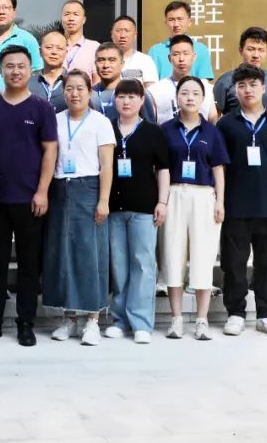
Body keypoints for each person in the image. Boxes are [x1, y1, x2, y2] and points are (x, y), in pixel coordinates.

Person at [0, 45, 57, 347]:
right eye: (9, 66)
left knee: (29, 264)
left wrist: (42, 191)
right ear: (1, 70)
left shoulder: (41, 108)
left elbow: (50, 151)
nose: (15, 71)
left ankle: (26, 323)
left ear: (30, 69)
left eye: (21, 66)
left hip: (30, 199)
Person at [217, 65, 267, 338]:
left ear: (264, 88)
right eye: (241, 86)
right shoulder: (226, 124)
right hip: (236, 206)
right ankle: (235, 314)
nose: (247, 90)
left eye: (253, 84)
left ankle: (266, 315)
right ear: (234, 90)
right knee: (234, 264)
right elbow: (220, 165)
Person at [45, 70, 115, 346]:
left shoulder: (100, 122)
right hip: (61, 189)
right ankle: (69, 317)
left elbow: (106, 165)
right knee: (64, 253)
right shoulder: (55, 120)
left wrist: (103, 200)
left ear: (89, 91)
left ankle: (93, 319)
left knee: (91, 254)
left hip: (89, 188)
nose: (74, 94)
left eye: (80, 88)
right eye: (69, 89)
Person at [160, 76, 230, 341]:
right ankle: (176, 319)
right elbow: (160, 169)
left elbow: (218, 169)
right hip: (175, 193)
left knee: (203, 255)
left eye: (195, 93)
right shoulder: (166, 130)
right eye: (184, 92)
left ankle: (202, 319)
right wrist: (162, 201)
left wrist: (220, 201)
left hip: (203, 196)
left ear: (203, 99)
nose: (189, 97)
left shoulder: (212, 132)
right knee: (173, 254)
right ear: (177, 97)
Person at [104, 79, 170, 344]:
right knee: (119, 266)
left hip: (144, 208)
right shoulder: (107, 128)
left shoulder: (153, 131)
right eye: (121, 96)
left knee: (143, 264)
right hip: (113, 208)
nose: (126, 101)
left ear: (142, 100)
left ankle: (141, 322)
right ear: (115, 100)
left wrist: (162, 202)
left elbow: (163, 168)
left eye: (132, 96)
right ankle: (119, 320)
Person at [213, 27, 267, 117]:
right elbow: (215, 116)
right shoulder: (224, 81)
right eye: (251, 49)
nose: (256, 55)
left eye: (261, 50)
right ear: (241, 51)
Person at [147, 35, 218, 124]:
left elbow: (213, 118)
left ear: (194, 57)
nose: (181, 59)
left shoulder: (206, 87)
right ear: (169, 58)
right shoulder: (155, 90)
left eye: (186, 53)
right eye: (176, 54)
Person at [147, 1, 214, 80]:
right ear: (166, 23)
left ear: (189, 22)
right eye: (171, 20)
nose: (176, 24)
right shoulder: (155, 51)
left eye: (180, 19)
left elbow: (204, 82)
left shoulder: (201, 49)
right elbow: (151, 83)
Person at [110, 15, 158, 87]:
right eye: (118, 31)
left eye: (127, 31)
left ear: (135, 35)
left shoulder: (145, 60)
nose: (122, 35)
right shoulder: (104, 61)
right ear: (112, 34)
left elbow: (152, 89)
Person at [28, 29, 69, 112]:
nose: (54, 52)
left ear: (66, 53)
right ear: (40, 51)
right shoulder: (28, 84)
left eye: (59, 48)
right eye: (49, 47)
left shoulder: (74, 82)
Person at [61, 0, 100, 77]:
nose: (71, 18)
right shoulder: (54, 47)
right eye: (67, 14)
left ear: (84, 20)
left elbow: (97, 80)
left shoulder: (94, 47)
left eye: (76, 14)